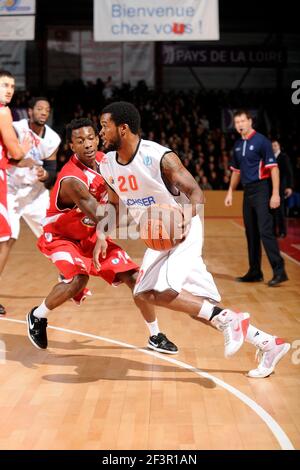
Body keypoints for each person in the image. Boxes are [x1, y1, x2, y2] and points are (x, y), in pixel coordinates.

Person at [95, 101, 290, 379]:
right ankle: (268, 344)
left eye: (104, 126)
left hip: (183, 227)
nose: (100, 131)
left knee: (155, 292)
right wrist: (103, 233)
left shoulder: (159, 157)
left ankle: (232, 323)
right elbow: (114, 203)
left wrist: (184, 219)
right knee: (198, 307)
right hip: (158, 236)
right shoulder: (108, 165)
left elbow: (196, 192)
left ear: (123, 128)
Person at [26, 118, 177, 355]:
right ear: (72, 146)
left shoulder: (105, 161)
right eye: (79, 141)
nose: (87, 144)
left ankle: (155, 335)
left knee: (136, 277)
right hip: (61, 237)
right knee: (79, 279)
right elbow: (102, 215)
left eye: (90, 138)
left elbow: (116, 201)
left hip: (90, 234)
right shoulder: (72, 180)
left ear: (97, 138)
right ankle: (38, 316)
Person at [0, 98, 61, 308]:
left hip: (35, 194)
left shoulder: (53, 139)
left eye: (47, 109)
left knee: (53, 236)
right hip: (11, 191)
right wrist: (19, 159)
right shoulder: (15, 128)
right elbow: (7, 154)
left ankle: (67, 276)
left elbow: (52, 173)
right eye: (39, 108)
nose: (44, 112)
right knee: (7, 240)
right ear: (30, 111)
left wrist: (45, 174)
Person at [224, 109, 288, 287]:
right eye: (237, 122)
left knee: (265, 231)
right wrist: (230, 191)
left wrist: (275, 194)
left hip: (262, 189)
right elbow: (236, 172)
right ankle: (255, 271)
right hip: (247, 191)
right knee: (250, 232)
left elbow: (274, 168)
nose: (240, 125)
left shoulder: (262, 141)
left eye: (243, 121)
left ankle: (279, 271)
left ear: (250, 121)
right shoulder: (237, 145)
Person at [0, 70, 32, 315]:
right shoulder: (3, 110)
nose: (9, 89)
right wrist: (24, 147)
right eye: (4, 85)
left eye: (11, 85)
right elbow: (17, 152)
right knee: (5, 236)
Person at [271, 139, 293, 238]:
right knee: (272, 211)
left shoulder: (284, 157)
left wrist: (289, 187)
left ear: (279, 146)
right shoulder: (270, 158)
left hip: (281, 187)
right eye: (272, 146)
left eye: (275, 145)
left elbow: (289, 173)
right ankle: (273, 232)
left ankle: (282, 231)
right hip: (271, 187)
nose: (273, 147)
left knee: (280, 210)